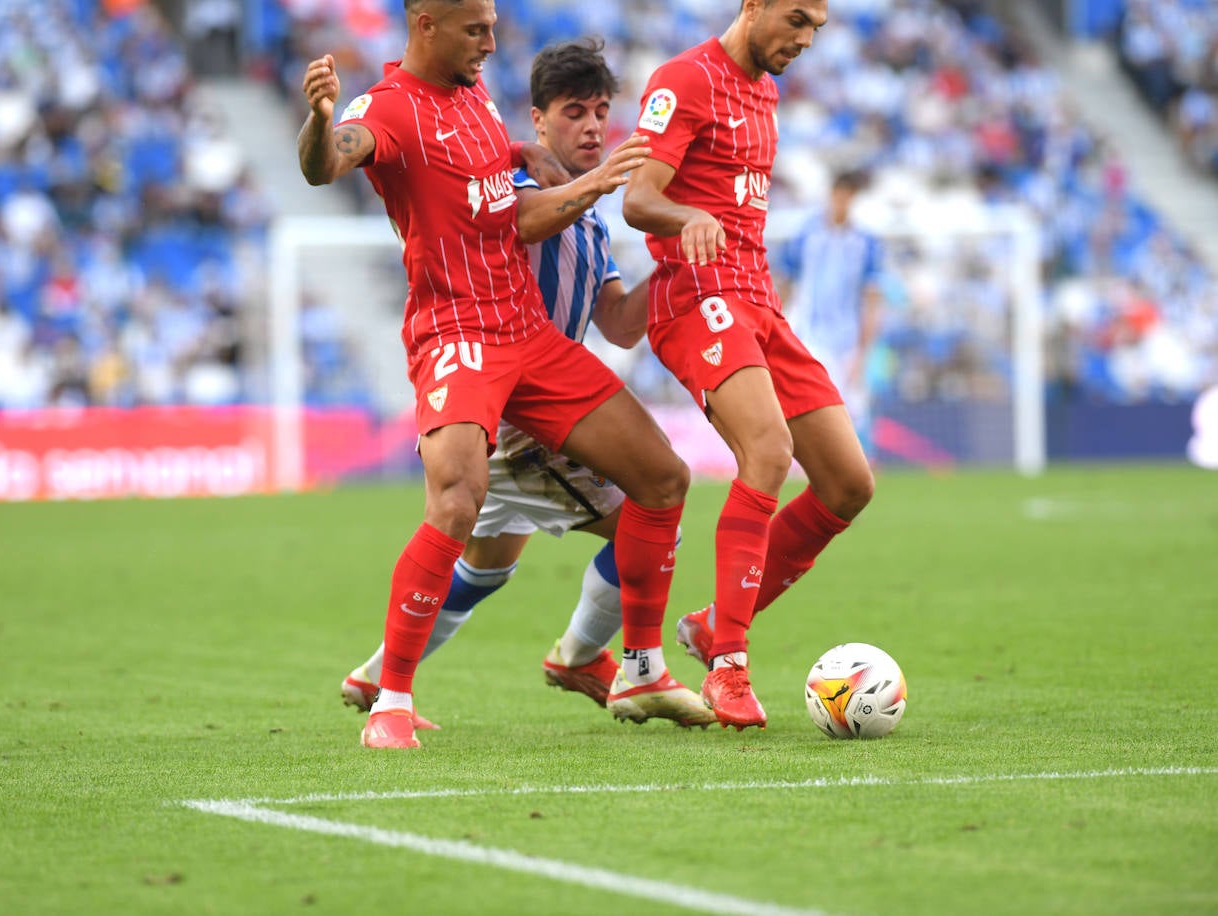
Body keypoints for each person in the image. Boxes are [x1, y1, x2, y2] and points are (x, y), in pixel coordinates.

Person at [298, 0, 705, 749]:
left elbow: (484, 187)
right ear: (426, 24)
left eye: (490, 27)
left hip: (527, 333)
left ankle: (642, 666)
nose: (491, 42)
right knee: (458, 498)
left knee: (663, 480)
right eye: (476, 29)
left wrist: (521, 153)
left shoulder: (473, 96)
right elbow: (330, 163)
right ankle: (392, 700)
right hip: (459, 331)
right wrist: (321, 120)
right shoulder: (383, 107)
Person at [622, 0, 875, 730]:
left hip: (758, 302)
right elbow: (640, 199)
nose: (805, 39)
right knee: (768, 449)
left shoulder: (766, 89)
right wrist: (688, 217)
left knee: (848, 484)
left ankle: (708, 626)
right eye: (795, 19)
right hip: (696, 296)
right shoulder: (686, 78)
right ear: (752, 5)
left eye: (817, 28)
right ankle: (728, 667)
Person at [776, 169, 883, 457]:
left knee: (855, 409)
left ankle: (859, 467)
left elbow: (872, 297)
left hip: (847, 338)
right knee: (820, 404)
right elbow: (786, 282)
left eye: (848, 197)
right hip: (812, 334)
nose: (842, 202)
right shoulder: (806, 236)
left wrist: (864, 348)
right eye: (839, 196)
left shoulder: (866, 242)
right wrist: (778, 325)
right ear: (831, 195)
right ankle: (821, 465)